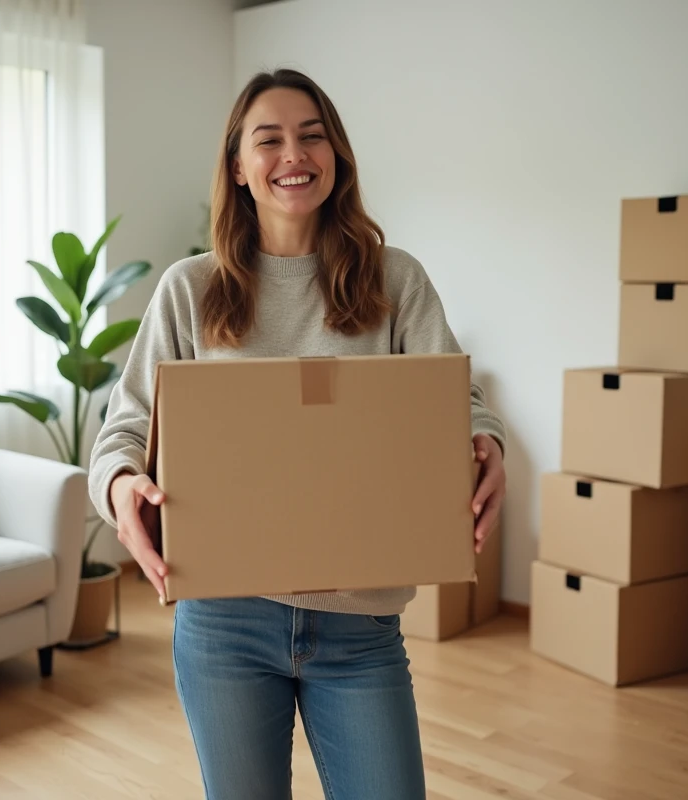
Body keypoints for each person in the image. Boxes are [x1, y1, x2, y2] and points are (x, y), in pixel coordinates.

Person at [88, 68, 508, 800]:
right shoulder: (190, 289)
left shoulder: (394, 280)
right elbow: (123, 431)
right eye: (270, 139)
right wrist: (122, 487)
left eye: (313, 136)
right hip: (224, 625)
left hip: (360, 625)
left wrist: (486, 442)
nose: (294, 154)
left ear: (336, 156)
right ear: (238, 166)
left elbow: (455, 399)